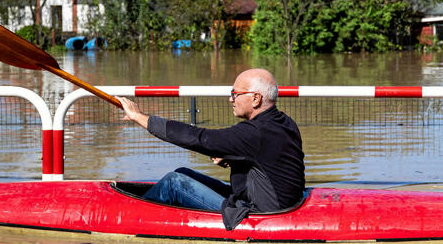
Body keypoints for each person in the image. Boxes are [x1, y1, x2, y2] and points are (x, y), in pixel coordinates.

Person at [117, 68, 305, 230]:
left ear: (256, 98)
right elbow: (270, 161)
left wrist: (140, 117)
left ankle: (126, 220)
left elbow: (198, 139)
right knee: (183, 172)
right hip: (277, 202)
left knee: (174, 182)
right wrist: (232, 159)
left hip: (258, 212)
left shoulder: (253, 132)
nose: (231, 100)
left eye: (235, 94)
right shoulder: (285, 122)